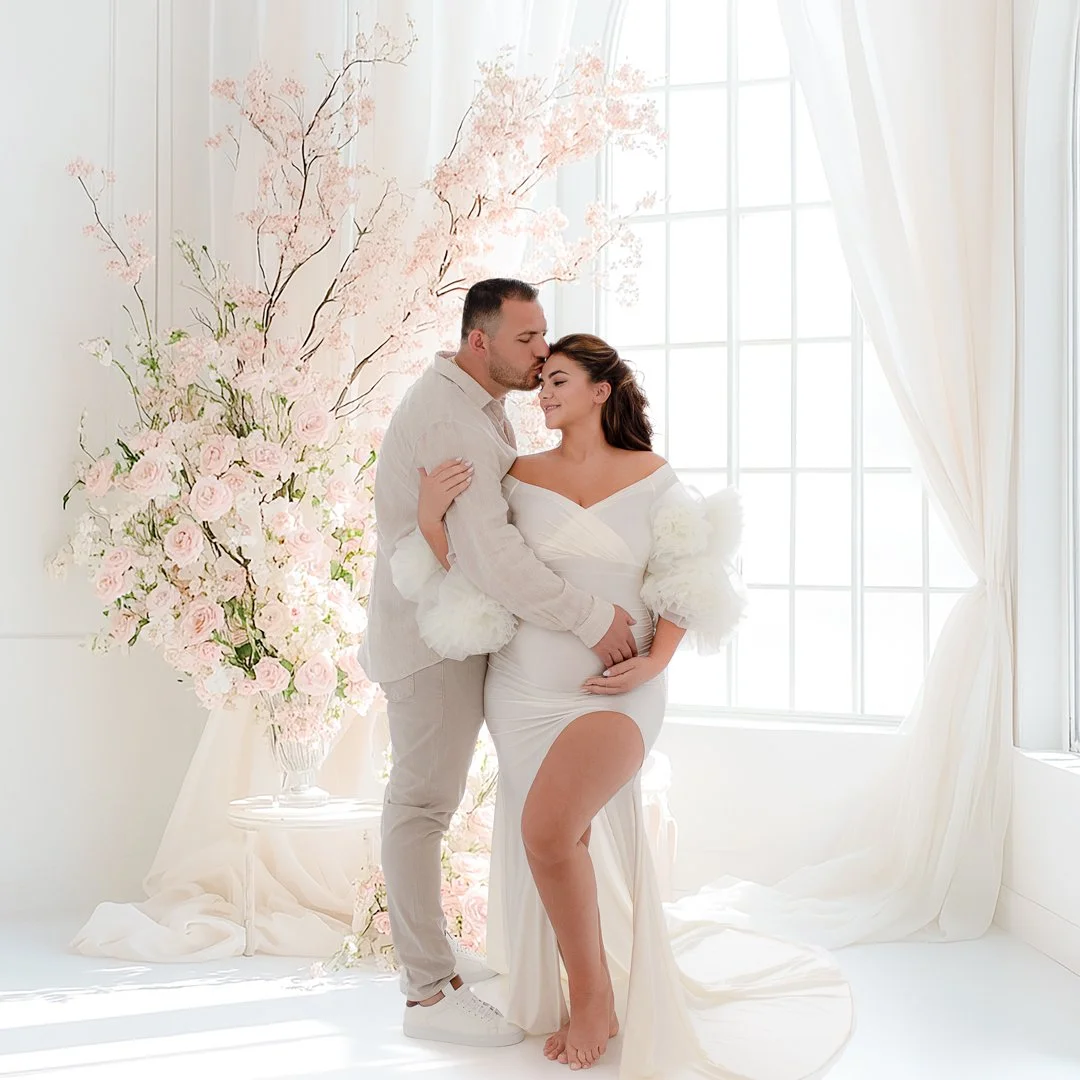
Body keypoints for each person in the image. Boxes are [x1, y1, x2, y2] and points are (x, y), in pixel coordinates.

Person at [392, 334, 854, 1076]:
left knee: (547, 833)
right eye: (540, 381)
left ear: (601, 390)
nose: (543, 393)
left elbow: (687, 577)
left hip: (617, 694)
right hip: (521, 693)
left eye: (559, 380)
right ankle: (588, 983)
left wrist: (656, 660)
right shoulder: (516, 475)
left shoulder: (654, 478)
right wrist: (428, 522)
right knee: (557, 838)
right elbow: (480, 571)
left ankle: (594, 996)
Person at [360, 279, 641, 1047]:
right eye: (527, 338)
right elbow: (491, 554)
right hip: (428, 642)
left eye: (544, 334)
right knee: (421, 805)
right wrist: (591, 618)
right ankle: (426, 993)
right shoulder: (451, 415)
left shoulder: (478, 406)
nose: (542, 351)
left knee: (436, 801)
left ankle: (435, 956)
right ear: (478, 341)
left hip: (453, 632)